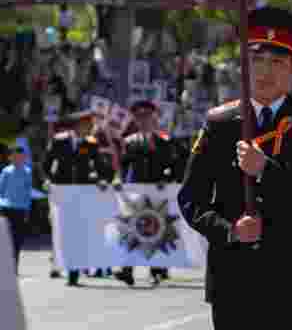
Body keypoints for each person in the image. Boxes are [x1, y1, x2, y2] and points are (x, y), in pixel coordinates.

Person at [177, 6, 292, 330]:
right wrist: (229, 230)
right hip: (234, 277)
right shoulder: (220, 123)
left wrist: (266, 170)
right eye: (258, 60)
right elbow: (191, 199)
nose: (266, 72)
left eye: (278, 63)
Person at [44, 109, 112, 285]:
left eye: (90, 125)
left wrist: (105, 180)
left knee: (79, 232)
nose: (89, 128)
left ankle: (74, 271)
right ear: (77, 126)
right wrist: (48, 180)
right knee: (66, 232)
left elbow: (100, 166)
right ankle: (65, 264)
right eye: (86, 125)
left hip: (83, 193)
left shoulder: (91, 143)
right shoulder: (60, 140)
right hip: (63, 192)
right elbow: (47, 163)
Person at [114, 100, 177, 287]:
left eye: (147, 117)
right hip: (136, 192)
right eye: (140, 118)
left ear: (154, 118)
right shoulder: (129, 142)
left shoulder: (164, 141)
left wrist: (167, 179)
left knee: (156, 230)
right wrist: (120, 182)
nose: (144, 121)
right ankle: (127, 270)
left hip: (158, 193)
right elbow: (123, 167)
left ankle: (156, 271)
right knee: (131, 229)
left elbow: (173, 165)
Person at [0, 144, 32, 274]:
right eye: (15, 156)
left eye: (20, 156)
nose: (18, 159)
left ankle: (14, 267)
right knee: (5, 238)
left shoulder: (27, 172)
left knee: (17, 239)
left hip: (21, 209)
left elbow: (28, 191)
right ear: (10, 158)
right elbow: (1, 190)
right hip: (6, 208)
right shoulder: (6, 171)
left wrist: (28, 209)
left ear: (24, 158)